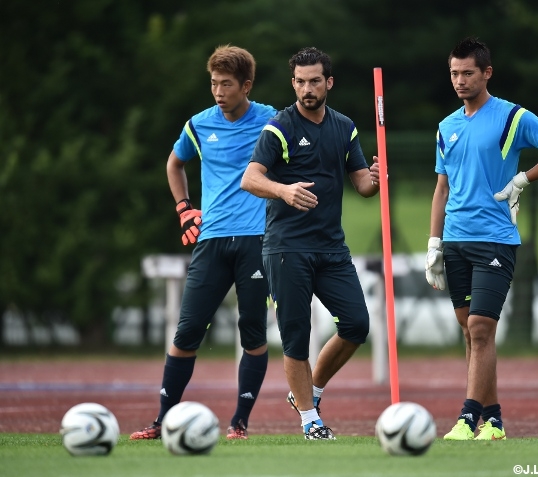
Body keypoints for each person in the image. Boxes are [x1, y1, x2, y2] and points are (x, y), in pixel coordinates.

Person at [425, 37, 538, 441]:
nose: (459, 80)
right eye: (454, 73)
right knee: (471, 332)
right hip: (454, 240)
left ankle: (467, 417)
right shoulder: (446, 126)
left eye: (467, 73)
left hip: (494, 239)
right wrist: (434, 243)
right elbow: (442, 188)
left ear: (486, 73)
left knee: (479, 328)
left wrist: (523, 179)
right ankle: (494, 421)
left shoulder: (513, 117)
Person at [130, 45, 277, 441]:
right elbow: (174, 163)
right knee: (187, 330)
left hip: (257, 242)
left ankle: (239, 423)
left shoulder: (273, 120)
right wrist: (184, 208)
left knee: (253, 331)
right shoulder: (197, 125)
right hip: (211, 241)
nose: (217, 91)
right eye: (213, 83)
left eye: (226, 84)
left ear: (246, 85)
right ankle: (162, 421)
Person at [240, 47, 380, 440]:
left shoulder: (344, 127)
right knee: (296, 336)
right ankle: (309, 420)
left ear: (329, 82)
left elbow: (363, 187)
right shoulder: (279, 127)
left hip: (332, 248)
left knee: (356, 324)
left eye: (314, 80)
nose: (307, 89)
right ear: (293, 83)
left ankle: (310, 392)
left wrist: (375, 176)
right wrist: (283, 191)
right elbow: (250, 179)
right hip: (286, 249)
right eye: (300, 81)